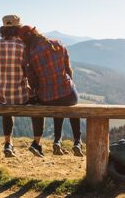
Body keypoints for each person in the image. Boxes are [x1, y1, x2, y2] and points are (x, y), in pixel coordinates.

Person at [18, 25, 84, 157]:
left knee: (56, 100)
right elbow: (68, 70)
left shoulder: (29, 53)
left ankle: (57, 141)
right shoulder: (57, 43)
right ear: (35, 32)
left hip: (47, 97)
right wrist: (67, 84)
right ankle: (77, 141)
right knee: (71, 105)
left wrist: (39, 90)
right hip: (68, 94)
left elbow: (33, 81)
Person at [0, 15, 43, 157]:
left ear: (3, 29)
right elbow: (31, 73)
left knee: (7, 102)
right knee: (38, 104)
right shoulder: (23, 46)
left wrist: (0, 85)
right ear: (18, 29)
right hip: (21, 95)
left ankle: (8, 143)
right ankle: (36, 143)